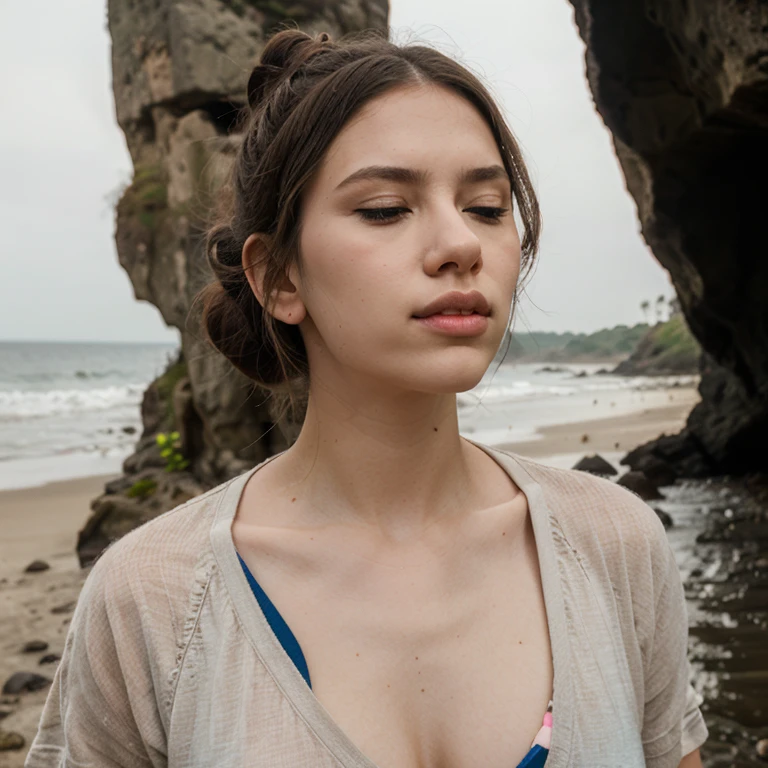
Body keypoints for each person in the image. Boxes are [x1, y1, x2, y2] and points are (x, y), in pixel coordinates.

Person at [26, 29, 708, 768]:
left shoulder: (616, 546)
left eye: (486, 206)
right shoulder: (151, 600)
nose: (460, 243)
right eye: (385, 209)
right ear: (278, 277)